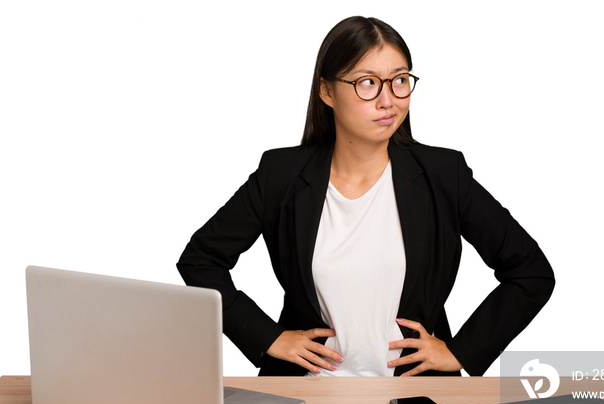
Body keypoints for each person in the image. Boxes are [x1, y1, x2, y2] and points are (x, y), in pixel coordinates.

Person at [177, 16, 555, 377]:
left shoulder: (443, 174)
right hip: (306, 393)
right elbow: (201, 260)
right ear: (327, 90)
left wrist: (461, 351)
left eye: (399, 80)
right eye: (368, 83)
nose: (388, 100)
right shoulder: (282, 175)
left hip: (414, 397)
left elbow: (531, 272)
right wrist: (266, 338)